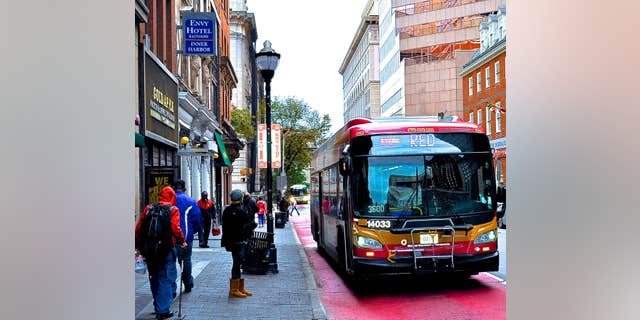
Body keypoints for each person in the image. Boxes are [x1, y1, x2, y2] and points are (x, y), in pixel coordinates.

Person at [135, 186, 187, 320]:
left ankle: (157, 305)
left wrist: (138, 247)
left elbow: (138, 228)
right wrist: (182, 241)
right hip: (165, 249)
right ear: (172, 196)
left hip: (149, 250)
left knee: (154, 277)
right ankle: (163, 310)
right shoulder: (173, 210)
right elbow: (176, 228)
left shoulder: (148, 208)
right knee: (165, 278)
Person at [221, 189, 256, 298]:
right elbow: (252, 223)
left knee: (237, 262)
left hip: (230, 241)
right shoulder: (241, 211)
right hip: (239, 240)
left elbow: (225, 226)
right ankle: (235, 289)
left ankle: (239, 287)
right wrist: (245, 230)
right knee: (237, 263)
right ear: (240, 198)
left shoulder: (227, 210)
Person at [172, 180, 202, 294]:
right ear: (184, 188)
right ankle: (187, 282)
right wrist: (194, 231)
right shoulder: (190, 201)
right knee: (187, 259)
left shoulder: (169, 201)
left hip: (171, 237)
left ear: (173, 188)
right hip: (185, 237)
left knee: (171, 262)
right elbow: (197, 219)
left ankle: (172, 287)